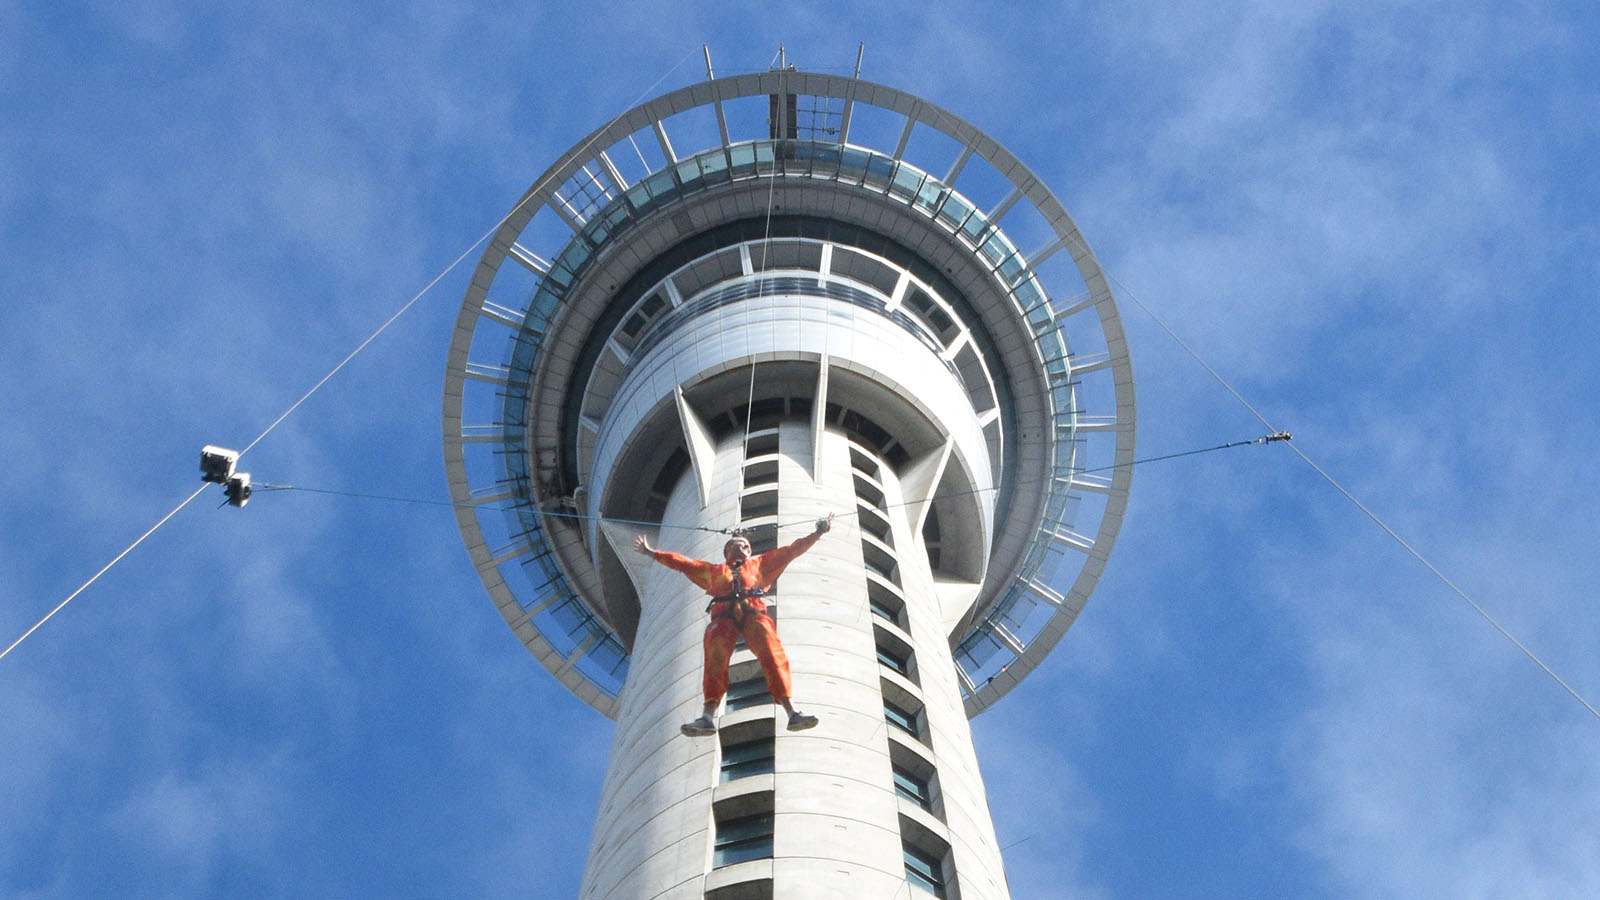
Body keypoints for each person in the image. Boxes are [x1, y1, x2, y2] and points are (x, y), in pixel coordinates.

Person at [634, 513, 834, 736]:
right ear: (727, 551)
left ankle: (792, 712)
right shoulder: (714, 571)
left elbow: (791, 551)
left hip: (754, 614)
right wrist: (652, 553)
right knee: (715, 662)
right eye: (740, 545)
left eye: (747, 546)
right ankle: (707, 717)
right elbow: (683, 564)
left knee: (773, 655)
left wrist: (817, 533)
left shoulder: (761, 564)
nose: (745, 549)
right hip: (722, 616)